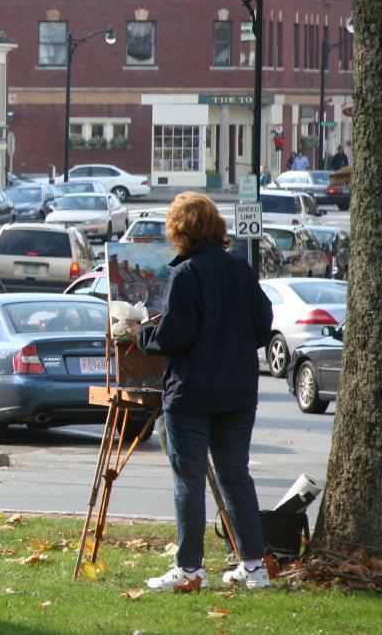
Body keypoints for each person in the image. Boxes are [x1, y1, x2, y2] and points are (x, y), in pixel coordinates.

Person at [140, 192, 273, 591]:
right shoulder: (240, 269)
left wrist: (147, 334)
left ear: (180, 232)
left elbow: (177, 336)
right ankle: (254, 566)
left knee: (190, 478)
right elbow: (263, 325)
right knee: (236, 476)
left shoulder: (186, 274)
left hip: (192, 393)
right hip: (237, 391)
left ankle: (190, 568)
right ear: (215, 226)